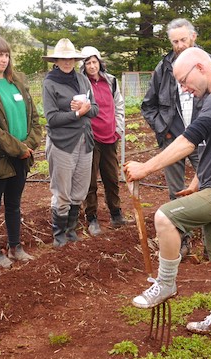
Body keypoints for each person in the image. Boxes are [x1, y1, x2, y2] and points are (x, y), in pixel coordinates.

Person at [125, 47, 211, 335]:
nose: (183, 87)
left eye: (184, 80)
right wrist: (197, 181)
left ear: (200, 67)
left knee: (165, 217)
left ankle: (166, 284)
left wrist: (146, 168)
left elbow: (190, 140)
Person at [141, 18, 211, 255]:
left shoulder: (207, 63)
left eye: (183, 39)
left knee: (208, 188)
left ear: (193, 37)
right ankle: (183, 240)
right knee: (176, 193)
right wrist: (163, 130)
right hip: (173, 139)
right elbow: (148, 105)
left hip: (203, 138)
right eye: (175, 41)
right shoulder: (163, 68)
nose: (179, 45)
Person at [0, 36, 42, 267]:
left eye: (6, 54)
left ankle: (15, 247)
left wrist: (28, 145)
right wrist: (19, 148)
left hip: (21, 157)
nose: (3, 59)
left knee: (14, 204)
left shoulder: (16, 83)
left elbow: (33, 117)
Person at [41, 38, 99, 247]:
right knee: (62, 191)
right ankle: (59, 235)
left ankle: (71, 229)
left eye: (71, 59)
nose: (67, 62)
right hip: (62, 143)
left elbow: (95, 109)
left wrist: (85, 108)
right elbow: (52, 118)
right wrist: (76, 113)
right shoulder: (50, 83)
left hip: (84, 141)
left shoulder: (83, 80)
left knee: (79, 190)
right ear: (56, 60)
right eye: (63, 59)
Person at [79, 46, 127, 236]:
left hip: (110, 136)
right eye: (88, 63)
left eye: (94, 62)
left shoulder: (111, 81)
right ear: (83, 66)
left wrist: (118, 129)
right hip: (91, 138)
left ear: (100, 62)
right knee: (90, 180)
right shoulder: (82, 84)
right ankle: (91, 218)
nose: (92, 66)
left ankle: (116, 213)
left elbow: (119, 105)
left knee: (111, 177)